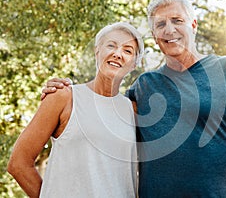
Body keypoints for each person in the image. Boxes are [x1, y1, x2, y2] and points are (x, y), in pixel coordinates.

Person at [41, 0, 226, 197]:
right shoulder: (143, 86)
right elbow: (100, 109)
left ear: (193, 25)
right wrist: (64, 91)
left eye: (177, 20)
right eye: (160, 24)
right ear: (154, 36)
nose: (169, 29)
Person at [7, 22, 144, 198]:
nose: (118, 54)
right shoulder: (64, 97)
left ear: (133, 64)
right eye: (111, 45)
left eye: (128, 50)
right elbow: (18, 164)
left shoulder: (133, 110)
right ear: (97, 51)